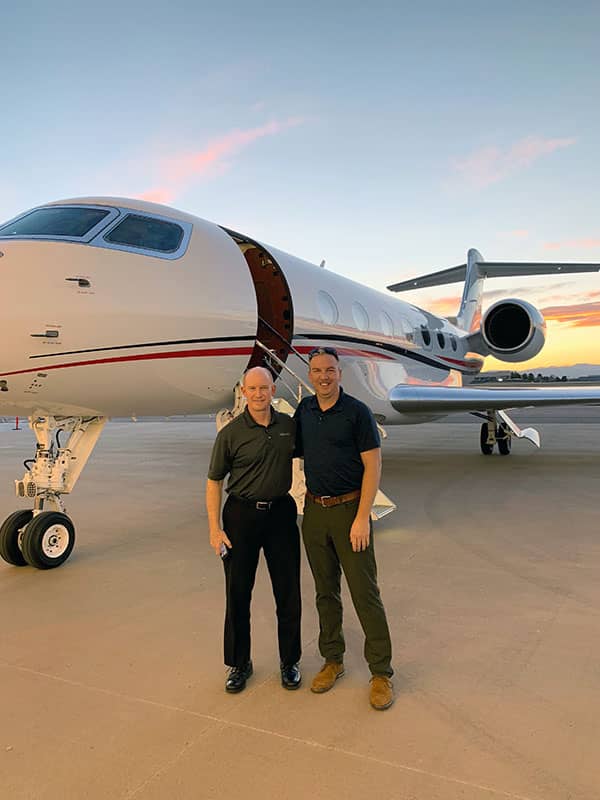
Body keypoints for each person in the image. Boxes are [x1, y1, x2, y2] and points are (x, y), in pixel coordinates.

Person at [294, 347, 394, 710]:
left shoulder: (357, 412)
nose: (324, 376)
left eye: (330, 370)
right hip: (315, 512)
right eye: (317, 370)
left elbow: (374, 466)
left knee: (364, 593)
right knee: (325, 592)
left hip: (350, 510)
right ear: (310, 374)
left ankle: (381, 672)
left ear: (340, 373)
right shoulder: (304, 411)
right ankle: (332, 660)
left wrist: (361, 517)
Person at [206, 366, 302, 693]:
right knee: (237, 594)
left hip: (281, 515)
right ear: (244, 392)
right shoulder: (230, 435)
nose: (259, 394)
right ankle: (239, 663)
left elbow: (316, 453)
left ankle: (290, 661)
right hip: (241, 517)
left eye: (264, 388)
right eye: (252, 389)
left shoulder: (289, 427)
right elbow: (213, 482)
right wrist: (214, 529)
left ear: (273, 390)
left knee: (288, 592)